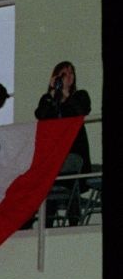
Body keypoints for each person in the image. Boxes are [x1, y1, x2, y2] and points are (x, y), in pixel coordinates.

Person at [34, 60, 92, 224]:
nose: (69, 77)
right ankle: (47, 225)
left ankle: (74, 223)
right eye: (64, 74)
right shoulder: (48, 99)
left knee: (67, 178)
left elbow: (82, 111)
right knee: (50, 184)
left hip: (74, 154)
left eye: (71, 73)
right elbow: (41, 115)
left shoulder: (80, 96)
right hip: (54, 156)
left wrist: (66, 94)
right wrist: (53, 94)